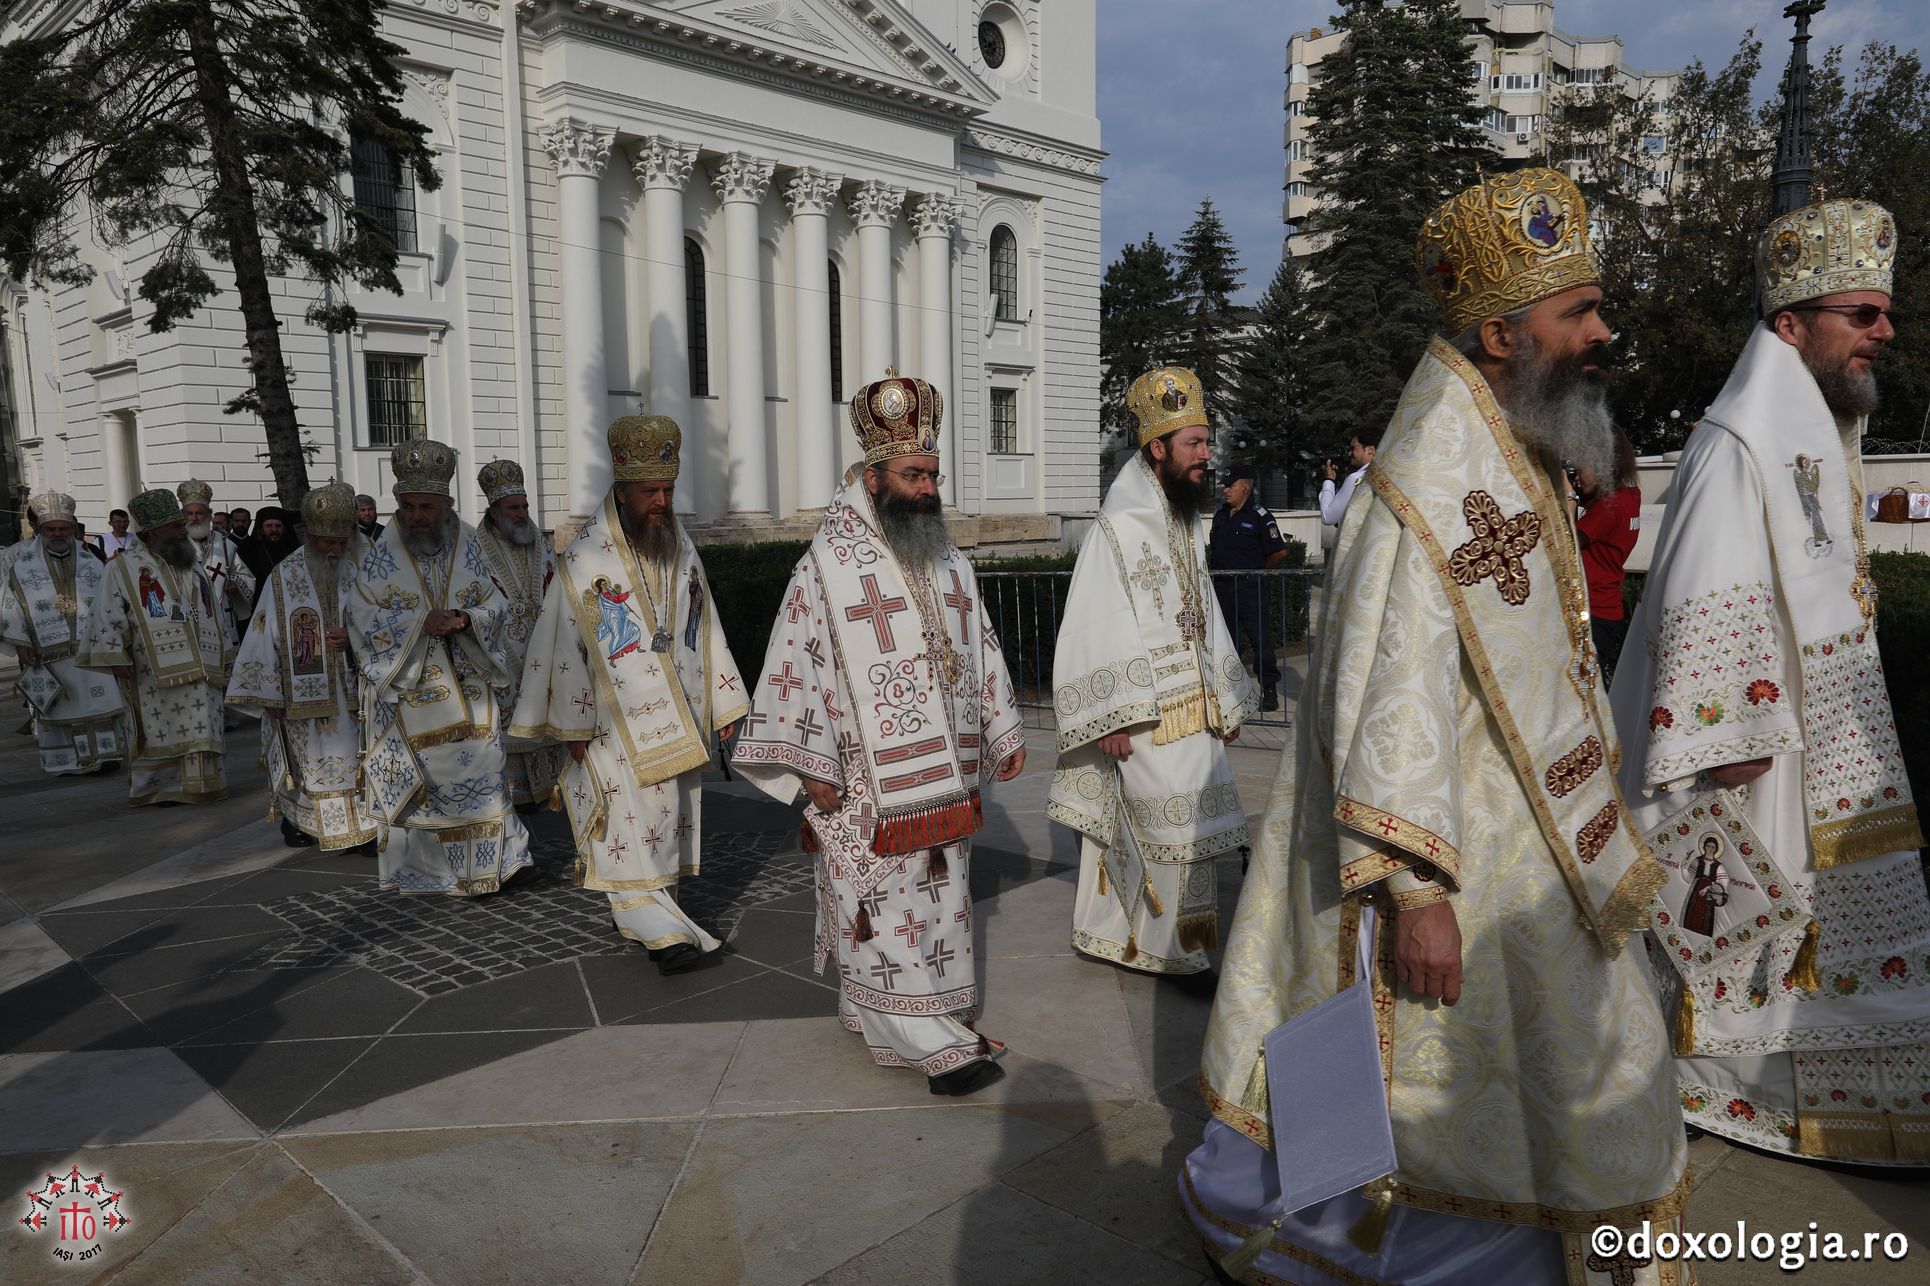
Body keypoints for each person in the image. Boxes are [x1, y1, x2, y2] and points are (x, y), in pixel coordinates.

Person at [1182, 169, 1687, 1284]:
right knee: (1452, 1079)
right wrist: (1415, 894)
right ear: (1503, 332)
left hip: (1537, 838)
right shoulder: (1423, 480)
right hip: (1456, 860)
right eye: (1579, 314)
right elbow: (1384, 694)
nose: (1602, 332)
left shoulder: (1515, 440)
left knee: (1567, 1061)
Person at [1609, 197, 1928, 1165]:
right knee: (1756, 922)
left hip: (1820, 729)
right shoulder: (1737, 436)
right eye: (1858, 315)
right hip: (1752, 748)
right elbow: (1706, 576)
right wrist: (1725, 735)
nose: (1882, 330)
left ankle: (1836, 1093)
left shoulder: (1814, 428)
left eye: (1884, 313)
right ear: (1789, 323)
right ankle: (1734, 1087)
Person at [734, 374, 1026, 1095]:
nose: (927, 490)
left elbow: (979, 643)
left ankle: (922, 1014)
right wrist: (811, 766)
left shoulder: (949, 557)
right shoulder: (826, 567)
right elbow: (795, 662)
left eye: (932, 475)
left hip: (950, 773)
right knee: (879, 902)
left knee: (941, 894)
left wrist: (1000, 726)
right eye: (913, 474)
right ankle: (929, 1038)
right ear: (873, 476)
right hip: (866, 779)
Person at [512, 419, 748, 972]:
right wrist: (571, 727)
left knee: (664, 819)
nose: (662, 502)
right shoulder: (585, 561)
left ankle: (649, 907)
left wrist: (724, 702)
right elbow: (565, 645)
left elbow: (704, 625)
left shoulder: (680, 548)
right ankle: (654, 924)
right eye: (650, 492)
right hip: (609, 725)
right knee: (627, 819)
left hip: (680, 711)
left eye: (668, 490)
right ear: (621, 491)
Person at [1049, 366, 1257, 980]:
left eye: (1207, 440)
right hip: (1142, 712)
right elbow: (1097, 617)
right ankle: (1176, 954)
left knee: (1185, 826)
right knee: (1165, 830)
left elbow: (1204, 613)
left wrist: (1225, 697)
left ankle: (1110, 933)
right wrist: (1109, 717)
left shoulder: (1185, 521)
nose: (1207, 454)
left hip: (1194, 706)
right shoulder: (1119, 525)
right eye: (1194, 443)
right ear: (1157, 448)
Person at [347, 438, 533, 895]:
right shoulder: (381, 554)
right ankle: (431, 873)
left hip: (471, 686)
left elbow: (498, 604)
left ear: (446, 505)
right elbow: (360, 617)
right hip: (412, 692)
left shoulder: (470, 542)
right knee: (429, 784)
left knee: (484, 772)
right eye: (407, 506)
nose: (415, 516)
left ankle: (493, 867)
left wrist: (469, 619)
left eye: (425, 507)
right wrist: (419, 623)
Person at [227, 480, 378, 851]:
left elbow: (394, 617)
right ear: (310, 537)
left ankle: (364, 829)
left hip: (359, 687)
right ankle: (304, 823)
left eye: (342, 542)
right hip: (303, 696)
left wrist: (355, 637)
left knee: (360, 758)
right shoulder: (285, 576)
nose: (336, 550)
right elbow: (263, 635)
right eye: (328, 542)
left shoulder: (371, 565)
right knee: (311, 762)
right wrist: (269, 694)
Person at [77, 489, 234, 805]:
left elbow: (211, 608)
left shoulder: (191, 561)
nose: (182, 531)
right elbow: (106, 613)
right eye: (175, 526)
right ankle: (159, 787)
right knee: (158, 725)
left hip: (202, 661)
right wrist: (115, 654)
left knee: (203, 720)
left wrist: (224, 649)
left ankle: (202, 785)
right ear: (153, 533)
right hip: (150, 668)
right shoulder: (121, 569)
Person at [1, 491, 127, 774]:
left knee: (98, 702)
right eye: (51, 529)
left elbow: (111, 602)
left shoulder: (92, 562)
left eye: (63, 529)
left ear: (72, 529)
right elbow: (9, 607)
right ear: (40, 530)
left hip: (91, 650)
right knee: (61, 708)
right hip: (49, 654)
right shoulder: (21, 566)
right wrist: (20, 642)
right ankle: (68, 761)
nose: (58, 534)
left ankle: (105, 756)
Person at [474, 460, 563, 812]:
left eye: (525, 506)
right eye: (514, 508)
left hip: (544, 651)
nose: (523, 513)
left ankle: (551, 790)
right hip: (501, 656)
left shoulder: (539, 544)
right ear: (494, 512)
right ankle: (517, 799)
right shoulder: (474, 549)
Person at [1208, 462, 1292, 712]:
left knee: (1260, 641)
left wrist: (1258, 573)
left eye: (1230, 485)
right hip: (1223, 588)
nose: (1225, 490)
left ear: (1244, 487)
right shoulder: (1221, 515)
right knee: (1226, 641)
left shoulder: (1259, 516)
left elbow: (1279, 551)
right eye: (1224, 486)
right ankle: (1230, 691)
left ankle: (1268, 690)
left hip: (1249, 588)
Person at [1573, 429, 1641, 682]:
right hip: (1607, 609)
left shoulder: (1608, 507)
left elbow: (1568, 543)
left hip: (1592, 610)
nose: (1577, 478)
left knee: (1582, 687)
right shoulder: (1630, 497)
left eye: (1581, 470)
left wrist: (1565, 493)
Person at [176, 480, 256, 648]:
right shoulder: (174, 544)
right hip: (191, 614)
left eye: (200, 513)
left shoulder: (225, 543)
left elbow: (244, 574)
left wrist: (236, 587)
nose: (194, 518)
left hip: (224, 615)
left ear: (209, 515)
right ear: (183, 516)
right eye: (189, 514)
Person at [1316, 429, 1379, 543]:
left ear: (1370, 450)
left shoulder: (1357, 479)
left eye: (1353, 448)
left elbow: (1328, 517)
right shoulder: (1386, 476)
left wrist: (1329, 480)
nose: (1350, 453)